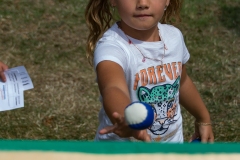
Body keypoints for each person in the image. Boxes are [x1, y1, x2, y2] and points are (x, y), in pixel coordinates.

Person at [85, 0, 214, 143]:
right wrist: (126, 118)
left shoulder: (174, 37)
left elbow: (181, 82)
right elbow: (112, 87)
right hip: (122, 153)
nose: (142, 3)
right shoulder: (112, 47)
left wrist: (203, 118)